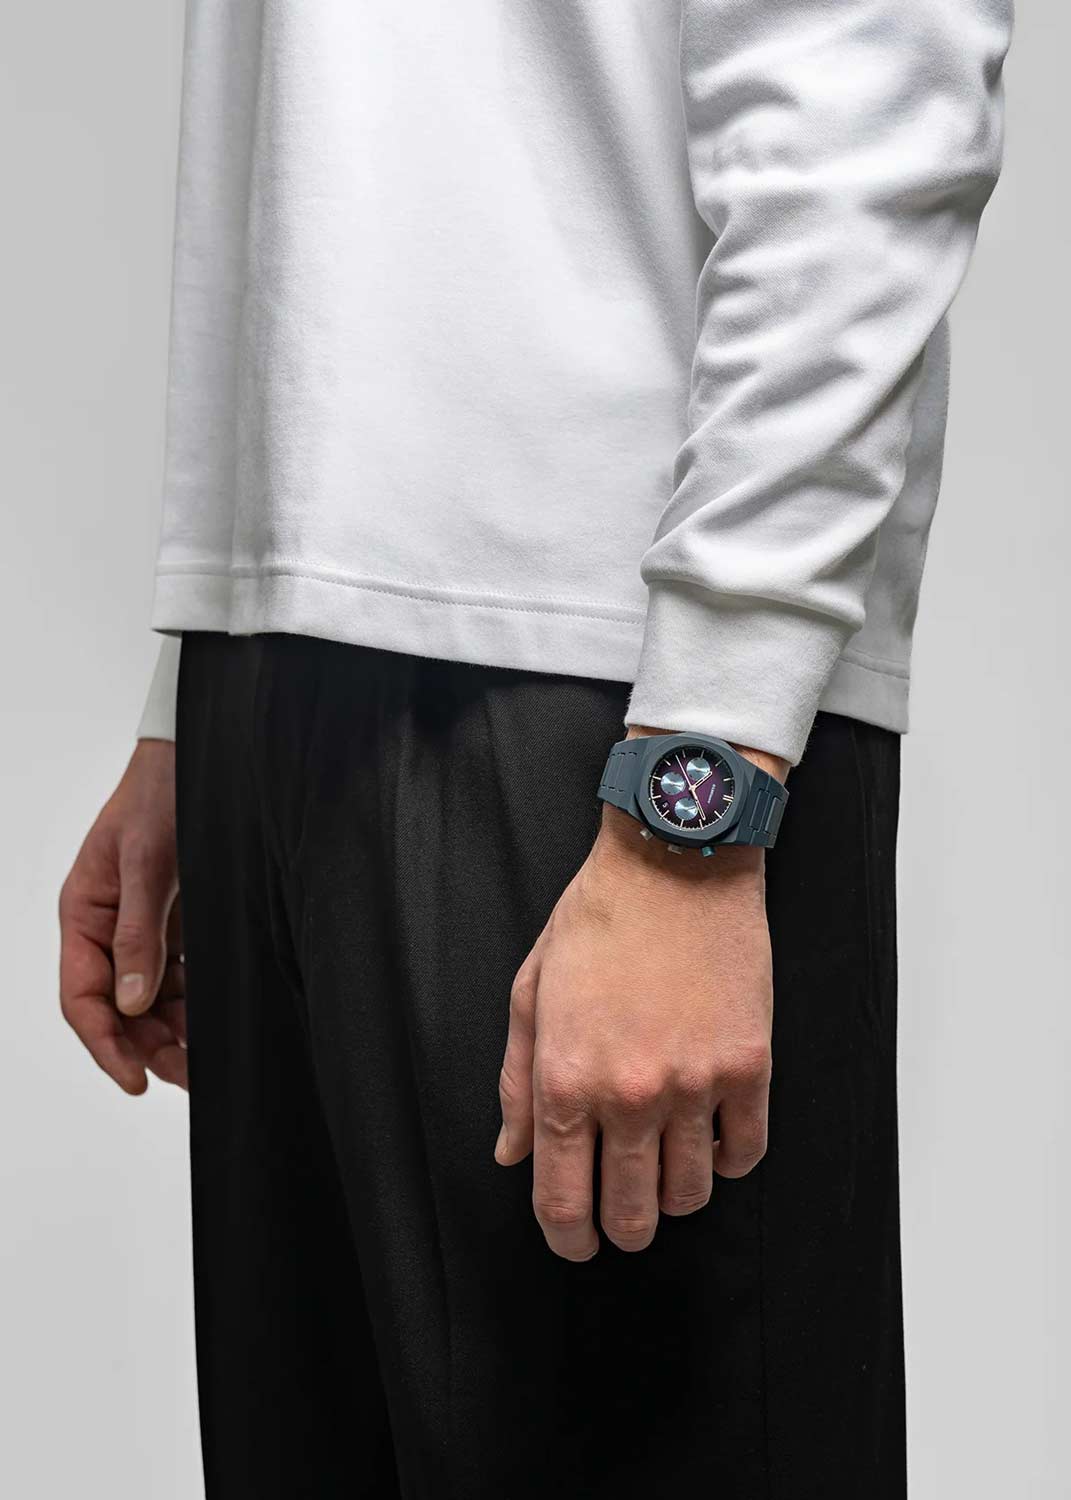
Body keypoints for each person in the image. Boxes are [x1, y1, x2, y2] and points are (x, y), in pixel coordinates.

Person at [58, 2, 1011, 1495]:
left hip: (613, 700)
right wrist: (193, 689)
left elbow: (867, 99)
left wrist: (701, 774)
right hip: (279, 680)